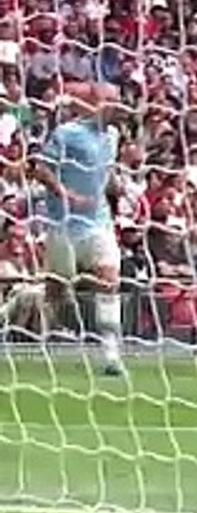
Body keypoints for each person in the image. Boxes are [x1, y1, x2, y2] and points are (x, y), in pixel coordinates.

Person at [27, 83, 125, 375]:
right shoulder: (67, 134)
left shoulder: (113, 136)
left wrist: (112, 187)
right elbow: (40, 169)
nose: (117, 106)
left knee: (109, 279)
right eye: (110, 100)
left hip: (99, 222)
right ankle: (32, 334)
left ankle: (111, 356)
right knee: (56, 291)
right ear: (93, 102)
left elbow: (103, 173)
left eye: (119, 100)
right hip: (64, 225)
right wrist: (66, 193)